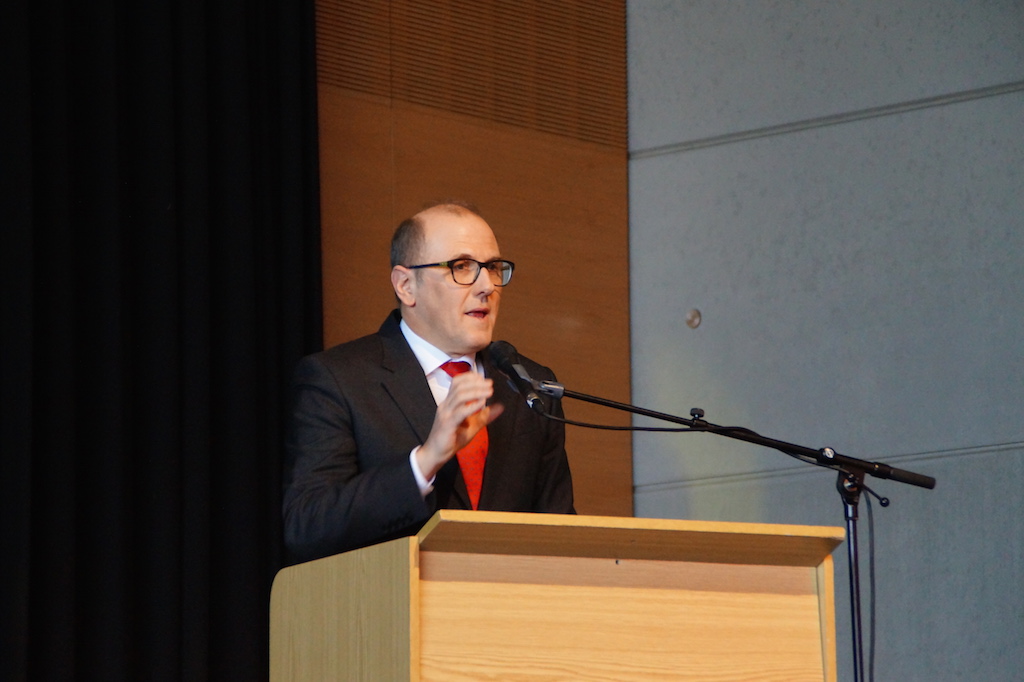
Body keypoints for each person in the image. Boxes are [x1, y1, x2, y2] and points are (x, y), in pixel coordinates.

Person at [283, 201, 575, 563]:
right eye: (461, 267)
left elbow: (559, 535)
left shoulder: (529, 386)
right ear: (406, 285)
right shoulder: (339, 380)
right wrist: (425, 461)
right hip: (392, 596)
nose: (487, 286)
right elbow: (308, 526)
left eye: (493, 267)